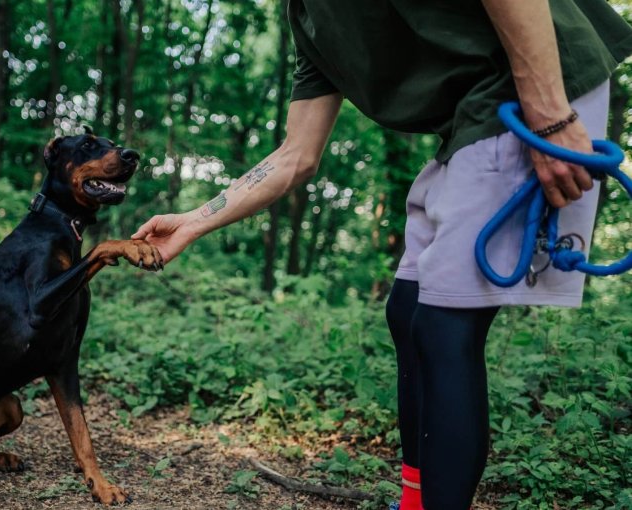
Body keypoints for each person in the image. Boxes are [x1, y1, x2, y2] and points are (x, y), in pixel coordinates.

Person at [132, 2, 632, 508]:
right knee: (408, 310)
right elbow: (296, 155)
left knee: (444, 326)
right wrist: (193, 222)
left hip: (538, 87)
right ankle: (415, 501)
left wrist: (549, 114)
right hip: (474, 116)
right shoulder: (309, 19)